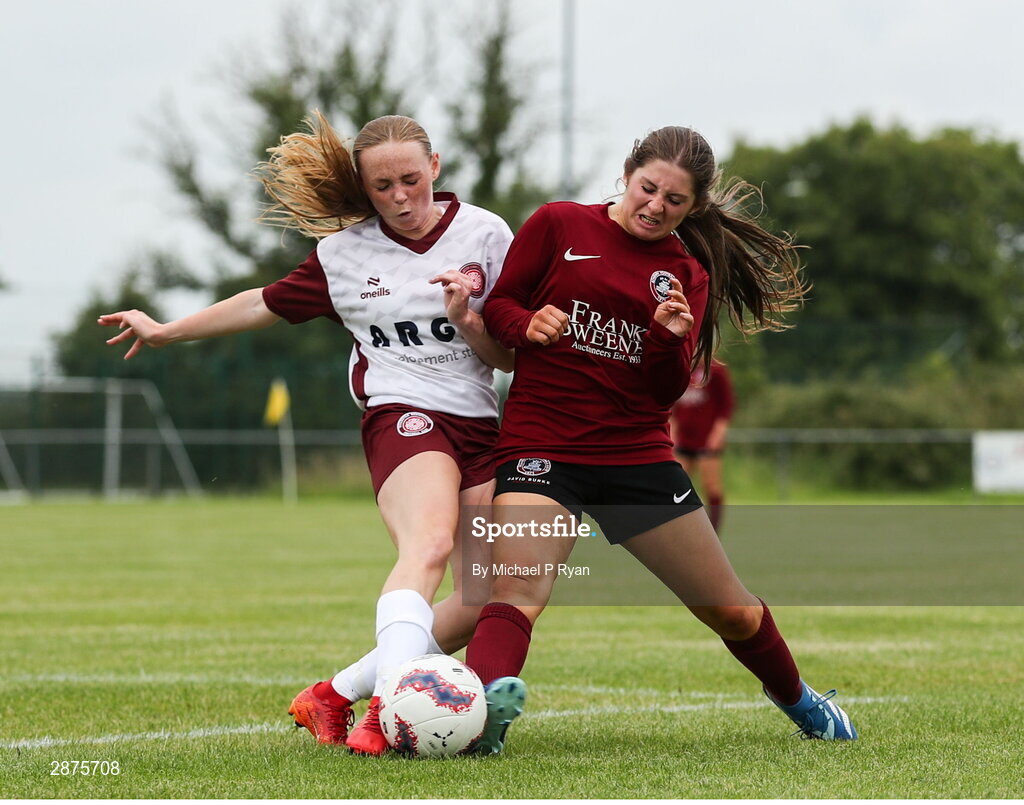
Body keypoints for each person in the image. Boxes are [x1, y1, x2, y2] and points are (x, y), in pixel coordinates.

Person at [98, 111, 514, 756]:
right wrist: (166, 329)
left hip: (483, 425)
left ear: (435, 166)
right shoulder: (344, 254)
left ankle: (332, 694)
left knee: (483, 596)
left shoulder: (488, 235)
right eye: (382, 186)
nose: (400, 197)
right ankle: (389, 709)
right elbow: (261, 302)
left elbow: (511, 346)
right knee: (427, 544)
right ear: (363, 187)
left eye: (410, 178)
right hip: (403, 416)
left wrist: (469, 316)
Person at [463, 125, 857, 755]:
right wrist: (527, 322)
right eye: (649, 188)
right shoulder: (559, 224)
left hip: (634, 458)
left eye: (674, 201)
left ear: (693, 206)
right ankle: (481, 716)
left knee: (728, 610)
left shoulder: (685, 273)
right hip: (541, 447)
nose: (655, 206)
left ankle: (802, 701)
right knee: (515, 590)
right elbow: (502, 305)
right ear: (627, 174)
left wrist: (670, 340)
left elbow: (663, 392)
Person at [670, 359, 734, 531]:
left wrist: (718, 433)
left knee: (711, 486)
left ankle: (714, 530)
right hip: (683, 439)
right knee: (676, 486)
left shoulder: (716, 370)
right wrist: (672, 429)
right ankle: (678, 528)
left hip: (706, 440)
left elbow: (726, 406)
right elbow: (672, 404)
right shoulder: (680, 368)